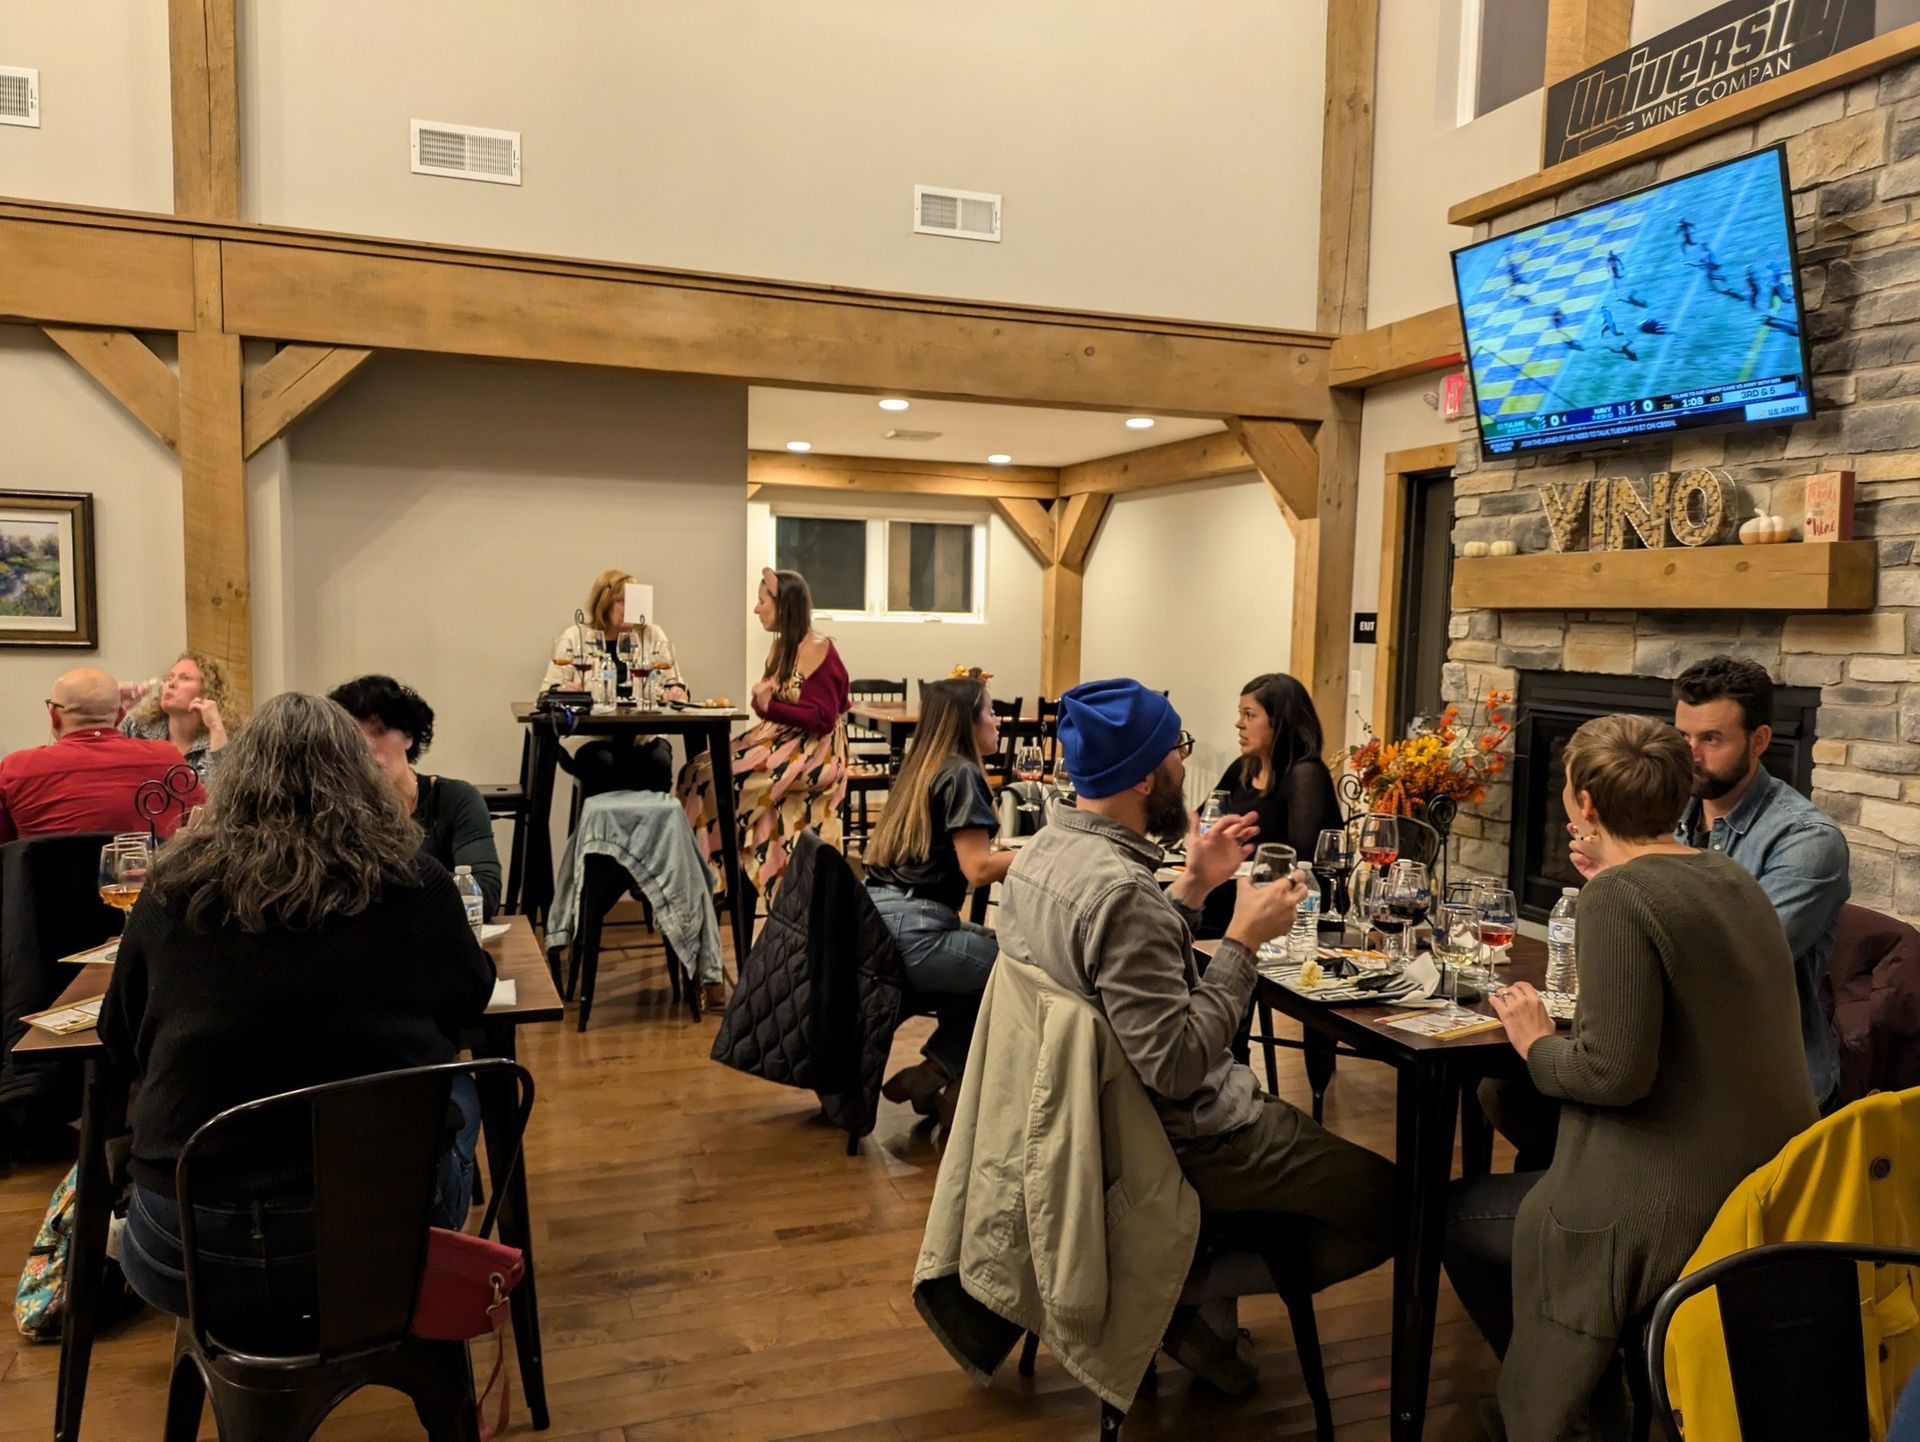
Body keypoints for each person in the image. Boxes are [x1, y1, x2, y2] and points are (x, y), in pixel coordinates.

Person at [994, 678, 1395, 1393]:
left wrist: (1193, 889)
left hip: (1087, 1129)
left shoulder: (1045, 854)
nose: (1186, 761)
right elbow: (1176, 1067)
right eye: (1176, 748)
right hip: (1189, 1140)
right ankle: (1170, 1291)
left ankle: (1187, 1274)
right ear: (1145, 776)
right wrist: (1242, 940)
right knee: (1402, 1204)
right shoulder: (1123, 894)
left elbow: (1118, 975)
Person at [1443, 715, 1816, 1441]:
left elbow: (1612, 1075)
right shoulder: (1728, 875)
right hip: (1770, 1185)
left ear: (1584, 801)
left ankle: (1565, 1414)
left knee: (1457, 1217)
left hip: (1676, 1201)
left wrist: (1534, 1041)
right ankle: (1593, 1394)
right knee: (1504, 1100)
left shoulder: (1619, 896)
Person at [99, 692, 495, 1325]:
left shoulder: (170, 888)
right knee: (461, 1091)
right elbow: (471, 998)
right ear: (358, 776)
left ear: (236, 779)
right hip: (373, 1236)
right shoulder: (415, 882)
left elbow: (118, 1038)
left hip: (184, 1245)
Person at [1671, 656, 1850, 1110]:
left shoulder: (1808, 839)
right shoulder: (1670, 814)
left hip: (1768, 1080)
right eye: (1683, 737)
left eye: (1711, 739)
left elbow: (1733, 962)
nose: (1691, 756)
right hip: (1682, 1049)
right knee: (1527, 1088)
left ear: (1760, 741)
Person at [864, 675, 1012, 1126]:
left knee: (989, 954)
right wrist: (1044, 852)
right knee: (1022, 968)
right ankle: (952, 1082)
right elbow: (979, 869)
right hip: (917, 930)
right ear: (968, 721)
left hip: (878, 920)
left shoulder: (921, 766)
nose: (999, 721)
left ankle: (934, 1073)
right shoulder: (963, 773)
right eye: (991, 711)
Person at [677, 567, 849, 930]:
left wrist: (770, 706)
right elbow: (768, 707)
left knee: (719, 780)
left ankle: (717, 873)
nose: (756, 609)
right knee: (696, 771)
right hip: (780, 738)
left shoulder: (819, 649)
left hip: (814, 750)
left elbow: (822, 719)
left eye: (762, 601)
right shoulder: (780, 648)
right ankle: (709, 873)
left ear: (784, 605)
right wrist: (764, 703)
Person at [328, 674, 504, 920]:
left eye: (380, 731)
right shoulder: (334, 809)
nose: (368, 747)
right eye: (354, 737)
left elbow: (484, 895)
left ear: (409, 736)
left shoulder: (456, 798)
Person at [1198, 673, 1341, 938]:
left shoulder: (1306, 774)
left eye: (1249, 715)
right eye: (1240, 714)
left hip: (1292, 915)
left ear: (1280, 723)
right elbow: (1202, 819)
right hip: (1238, 897)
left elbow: (1305, 862)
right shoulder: (1244, 768)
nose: (1239, 724)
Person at [0, 667, 205, 842]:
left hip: (45, 879)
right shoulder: (168, 759)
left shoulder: (16, 769)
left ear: (54, 715)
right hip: (144, 877)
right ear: (120, 715)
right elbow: (202, 825)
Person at [542, 568, 689, 795]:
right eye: (622, 601)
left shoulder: (652, 635)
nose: (630, 608)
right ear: (604, 603)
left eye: (635, 600)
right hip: (589, 736)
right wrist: (565, 691)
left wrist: (675, 692)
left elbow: (675, 683)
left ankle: (654, 819)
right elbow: (548, 692)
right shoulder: (576, 636)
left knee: (658, 764)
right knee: (606, 765)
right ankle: (602, 820)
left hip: (643, 737)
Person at [118, 651, 239, 783]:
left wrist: (216, 727)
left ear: (207, 691)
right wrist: (115, 707)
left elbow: (223, 789)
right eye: (169, 678)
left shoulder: (226, 738)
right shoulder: (137, 728)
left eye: (185, 678)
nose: (171, 684)